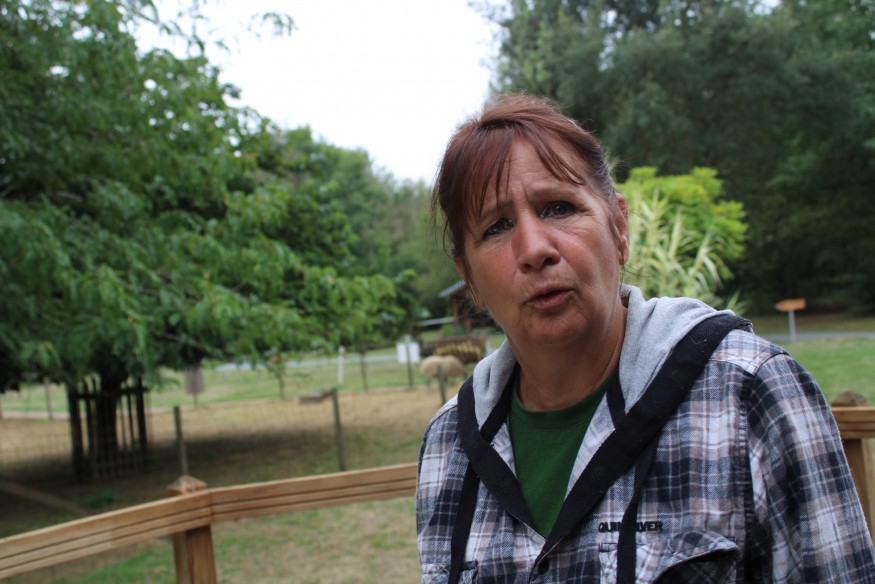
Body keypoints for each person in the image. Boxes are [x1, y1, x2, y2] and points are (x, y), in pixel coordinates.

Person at [416, 94, 875, 583]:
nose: (534, 248)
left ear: (619, 228)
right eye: (497, 226)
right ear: (470, 279)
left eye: (558, 207)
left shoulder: (750, 395)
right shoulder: (449, 445)